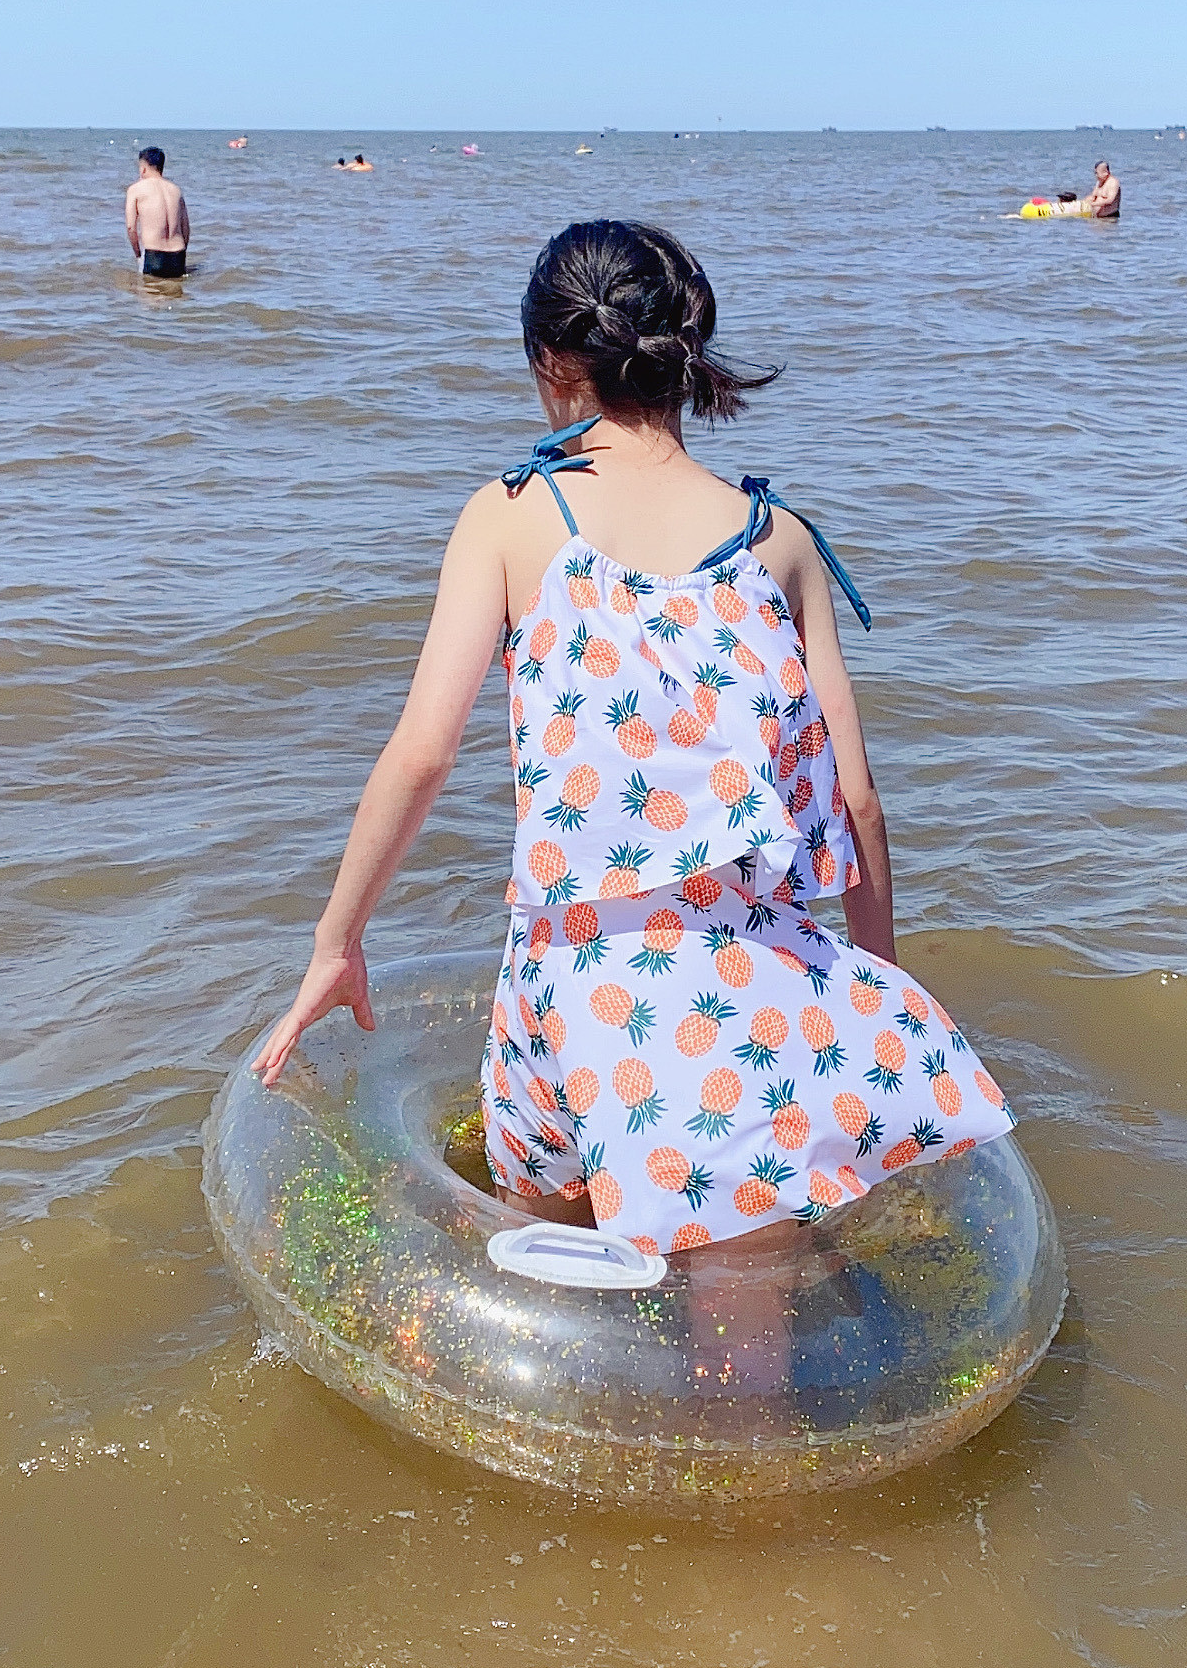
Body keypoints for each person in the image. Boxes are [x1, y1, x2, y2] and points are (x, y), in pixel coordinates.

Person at [252, 218, 1013, 1256]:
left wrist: (336, 945)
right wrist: (879, 1003)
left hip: (569, 985)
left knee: (541, 1272)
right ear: (686, 350)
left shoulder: (509, 516)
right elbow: (856, 800)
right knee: (745, 1305)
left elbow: (422, 754)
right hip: (751, 982)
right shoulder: (777, 539)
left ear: (549, 359)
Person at [125, 145, 190, 277]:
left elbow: (131, 227)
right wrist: (182, 252)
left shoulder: (135, 189)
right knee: (175, 289)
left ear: (143, 168)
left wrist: (138, 254)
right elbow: (186, 228)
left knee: (149, 289)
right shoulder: (176, 190)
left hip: (154, 254)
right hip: (178, 254)